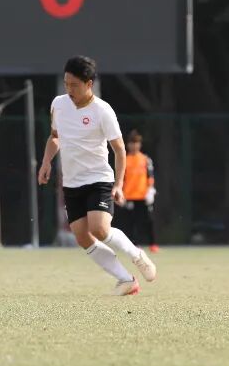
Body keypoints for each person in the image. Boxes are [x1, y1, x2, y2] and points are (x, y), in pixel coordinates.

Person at [37, 56, 157, 295]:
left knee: (100, 228)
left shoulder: (103, 111)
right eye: (66, 84)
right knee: (82, 237)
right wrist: (46, 162)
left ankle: (137, 255)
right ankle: (126, 279)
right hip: (72, 183)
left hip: (98, 179)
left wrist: (119, 185)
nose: (69, 90)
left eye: (74, 85)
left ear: (89, 83)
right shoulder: (58, 104)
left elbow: (119, 150)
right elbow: (55, 137)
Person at [118, 130, 159, 253]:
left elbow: (150, 176)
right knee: (131, 222)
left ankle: (153, 244)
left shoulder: (145, 159)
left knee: (149, 220)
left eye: (136, 143)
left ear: (140, 144)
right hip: (129, 196)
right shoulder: (125, 160)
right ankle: (134, 244)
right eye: (131, 143)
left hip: (143, 196)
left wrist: (151, 190)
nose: (134, 145)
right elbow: (121, 178)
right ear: (128, 144)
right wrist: (121, 193)